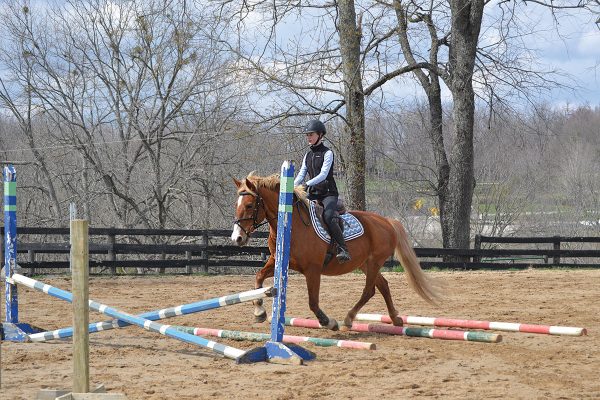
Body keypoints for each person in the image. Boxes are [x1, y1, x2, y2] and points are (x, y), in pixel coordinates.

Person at [294, 119, 351, 263]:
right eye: (307, 135)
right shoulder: (308, 155)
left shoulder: (328, 153)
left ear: (320, 135)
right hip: (313, 193)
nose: (308, 137)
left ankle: (342, 248)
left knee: (329, 216)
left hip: (328, 193)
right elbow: (301, 174)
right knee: (302, 214)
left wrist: (306, 184)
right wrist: (290, 186)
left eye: (311, 134)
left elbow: (323, 175)